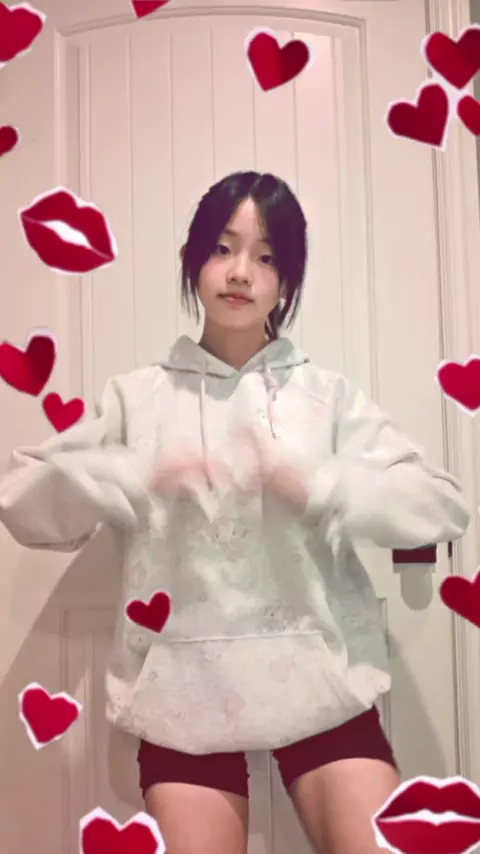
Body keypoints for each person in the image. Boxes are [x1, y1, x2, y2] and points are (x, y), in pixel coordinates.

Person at [0, 171, 469, 854]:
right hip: (181, 699)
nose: (242, 271)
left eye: (267, 256)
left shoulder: (326, 397)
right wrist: (132, 476)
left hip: (323, 689)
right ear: (193, 260)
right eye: (223, 248)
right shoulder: (137, 399)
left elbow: (443, 506)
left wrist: (325, 486)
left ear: (288, 280)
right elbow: (20, 502)